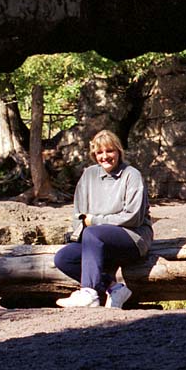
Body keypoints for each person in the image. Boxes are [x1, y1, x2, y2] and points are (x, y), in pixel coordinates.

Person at [54, 129, 153, 308]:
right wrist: (78, 236)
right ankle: (115, 288)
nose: (105, 156)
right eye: (99, 152)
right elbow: (79, 215)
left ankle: (89, 293)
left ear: (119, 152)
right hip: (97, 240)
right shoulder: (89, 175)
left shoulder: (132, 175)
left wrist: (96, 222)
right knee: (64, 258)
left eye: (109, 151)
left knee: (93, 232)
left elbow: (133, 217)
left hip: (133, 238)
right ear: (94, 155)